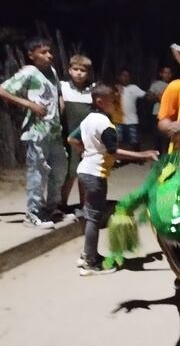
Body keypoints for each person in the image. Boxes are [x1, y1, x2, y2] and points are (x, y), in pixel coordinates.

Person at [68, 83, 158, 275]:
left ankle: (87, 254)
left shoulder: (88, 119)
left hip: (84, 170)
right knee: (94, 218)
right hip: (95, 174)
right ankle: (90, 263)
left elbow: (72, 139)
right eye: (112, 100)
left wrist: (88, 152)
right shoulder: (104, 124)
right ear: (100, 101)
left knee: (91, 214)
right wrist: (143, 155)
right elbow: (114, 151)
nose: (115, 103)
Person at [0, 37, 68, 228]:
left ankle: (52, 206)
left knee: (59, 169)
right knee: (38, 172)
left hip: (54, 130)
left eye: (49, 51)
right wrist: (28, 104)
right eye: (43, 52)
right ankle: (33, 213)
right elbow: (3, 90)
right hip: (36, 131)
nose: (49, 55)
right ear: (31, 55)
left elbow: (56, 92)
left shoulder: (52, 71)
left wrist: (60, 103)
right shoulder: (29, 72)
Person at [60, 54, 94, 212]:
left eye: (83, 70)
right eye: (75, 69)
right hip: (68, 138)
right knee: (69, 173)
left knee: (84, 172)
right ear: (69, 70)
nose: (79, 73)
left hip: (86, 139)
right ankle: (61, 204)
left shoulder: (92, 90)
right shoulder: (63, 87)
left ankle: (84, 204)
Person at [116, 68, 146, 150]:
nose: (125, 78)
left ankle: (138, 158)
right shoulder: (115, 88)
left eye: (127, 76)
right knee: (118, 140)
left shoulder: (133, 88)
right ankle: (119, 159)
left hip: (132, 120)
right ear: (119, 77)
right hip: (118, 120)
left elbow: (146, 96)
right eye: (123, 75)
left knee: (134, 140)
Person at [147, 66, 173, 154]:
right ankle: (159, 157)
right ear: (161, 74)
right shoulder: (155, 84)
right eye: (165, 72)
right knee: (157, 137)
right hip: (157, 113)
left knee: (168, 137)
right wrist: (158, 97)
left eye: (169, 73)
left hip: (170, 114)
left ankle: (167, 158)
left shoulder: (173, 85)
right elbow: (148, 97)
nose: (167, 75)